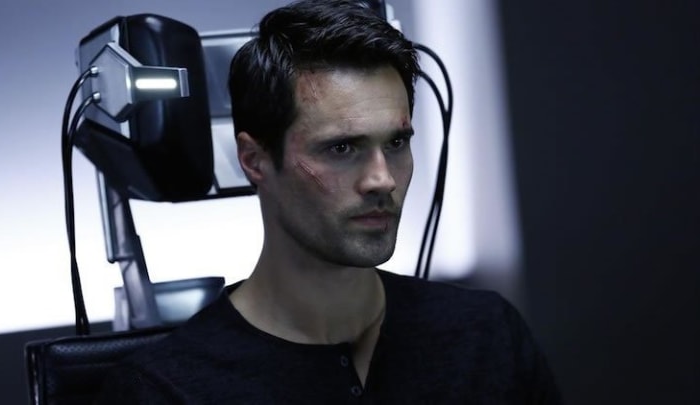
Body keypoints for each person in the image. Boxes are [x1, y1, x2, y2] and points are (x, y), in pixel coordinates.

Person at [96, 0, 562, 403]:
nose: (382, 179)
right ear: (255, 160)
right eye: (341, 148)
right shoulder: (165, 390)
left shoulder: (486, 336)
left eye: (396, 143)